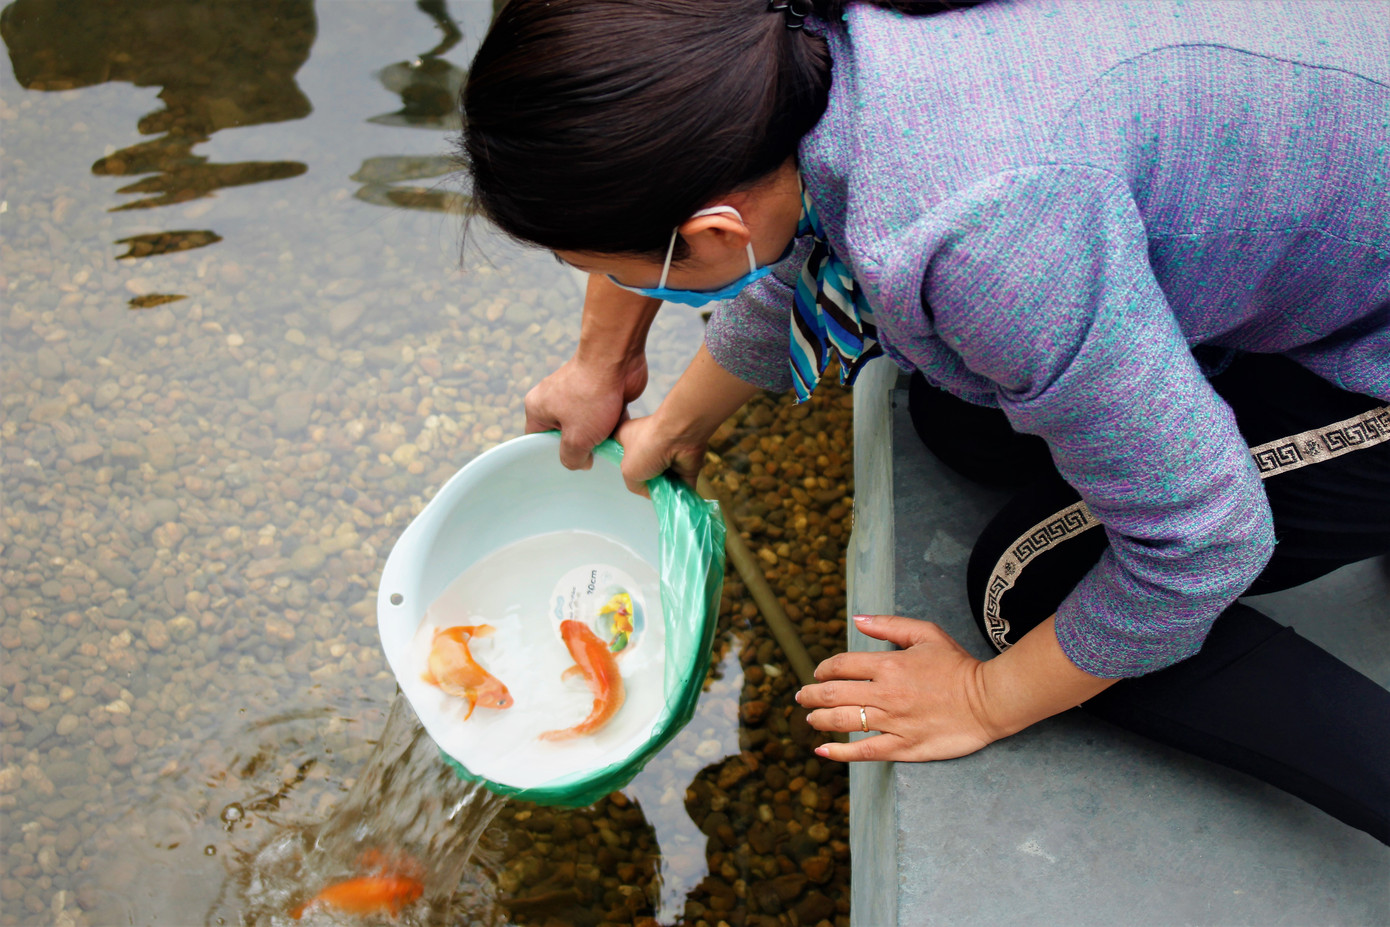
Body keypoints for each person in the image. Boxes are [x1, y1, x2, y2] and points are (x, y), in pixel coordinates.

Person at [458, 0, 1390, 843]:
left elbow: (1205, 543)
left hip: (1369, 350)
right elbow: (807, 254)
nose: (625, 292)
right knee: (958, 417)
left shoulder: (987, 237)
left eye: (626, 271)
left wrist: (985, 698)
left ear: (710, 232)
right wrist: (672, 424)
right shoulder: (810, 55)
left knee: (1024, 588)